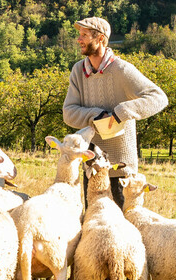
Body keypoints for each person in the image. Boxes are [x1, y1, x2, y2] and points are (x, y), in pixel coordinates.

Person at [61, 16, 167, 205]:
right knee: (94, 225)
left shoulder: (122, 69)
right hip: (92, 165)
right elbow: (68, 112)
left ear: (100, 38)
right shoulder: (78, 71)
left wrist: (122, 111)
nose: (79, 40)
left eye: (84, 35)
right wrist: (95, 115)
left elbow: (159, 97)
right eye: (79, 35)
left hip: (121, 168)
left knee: (122, 228)